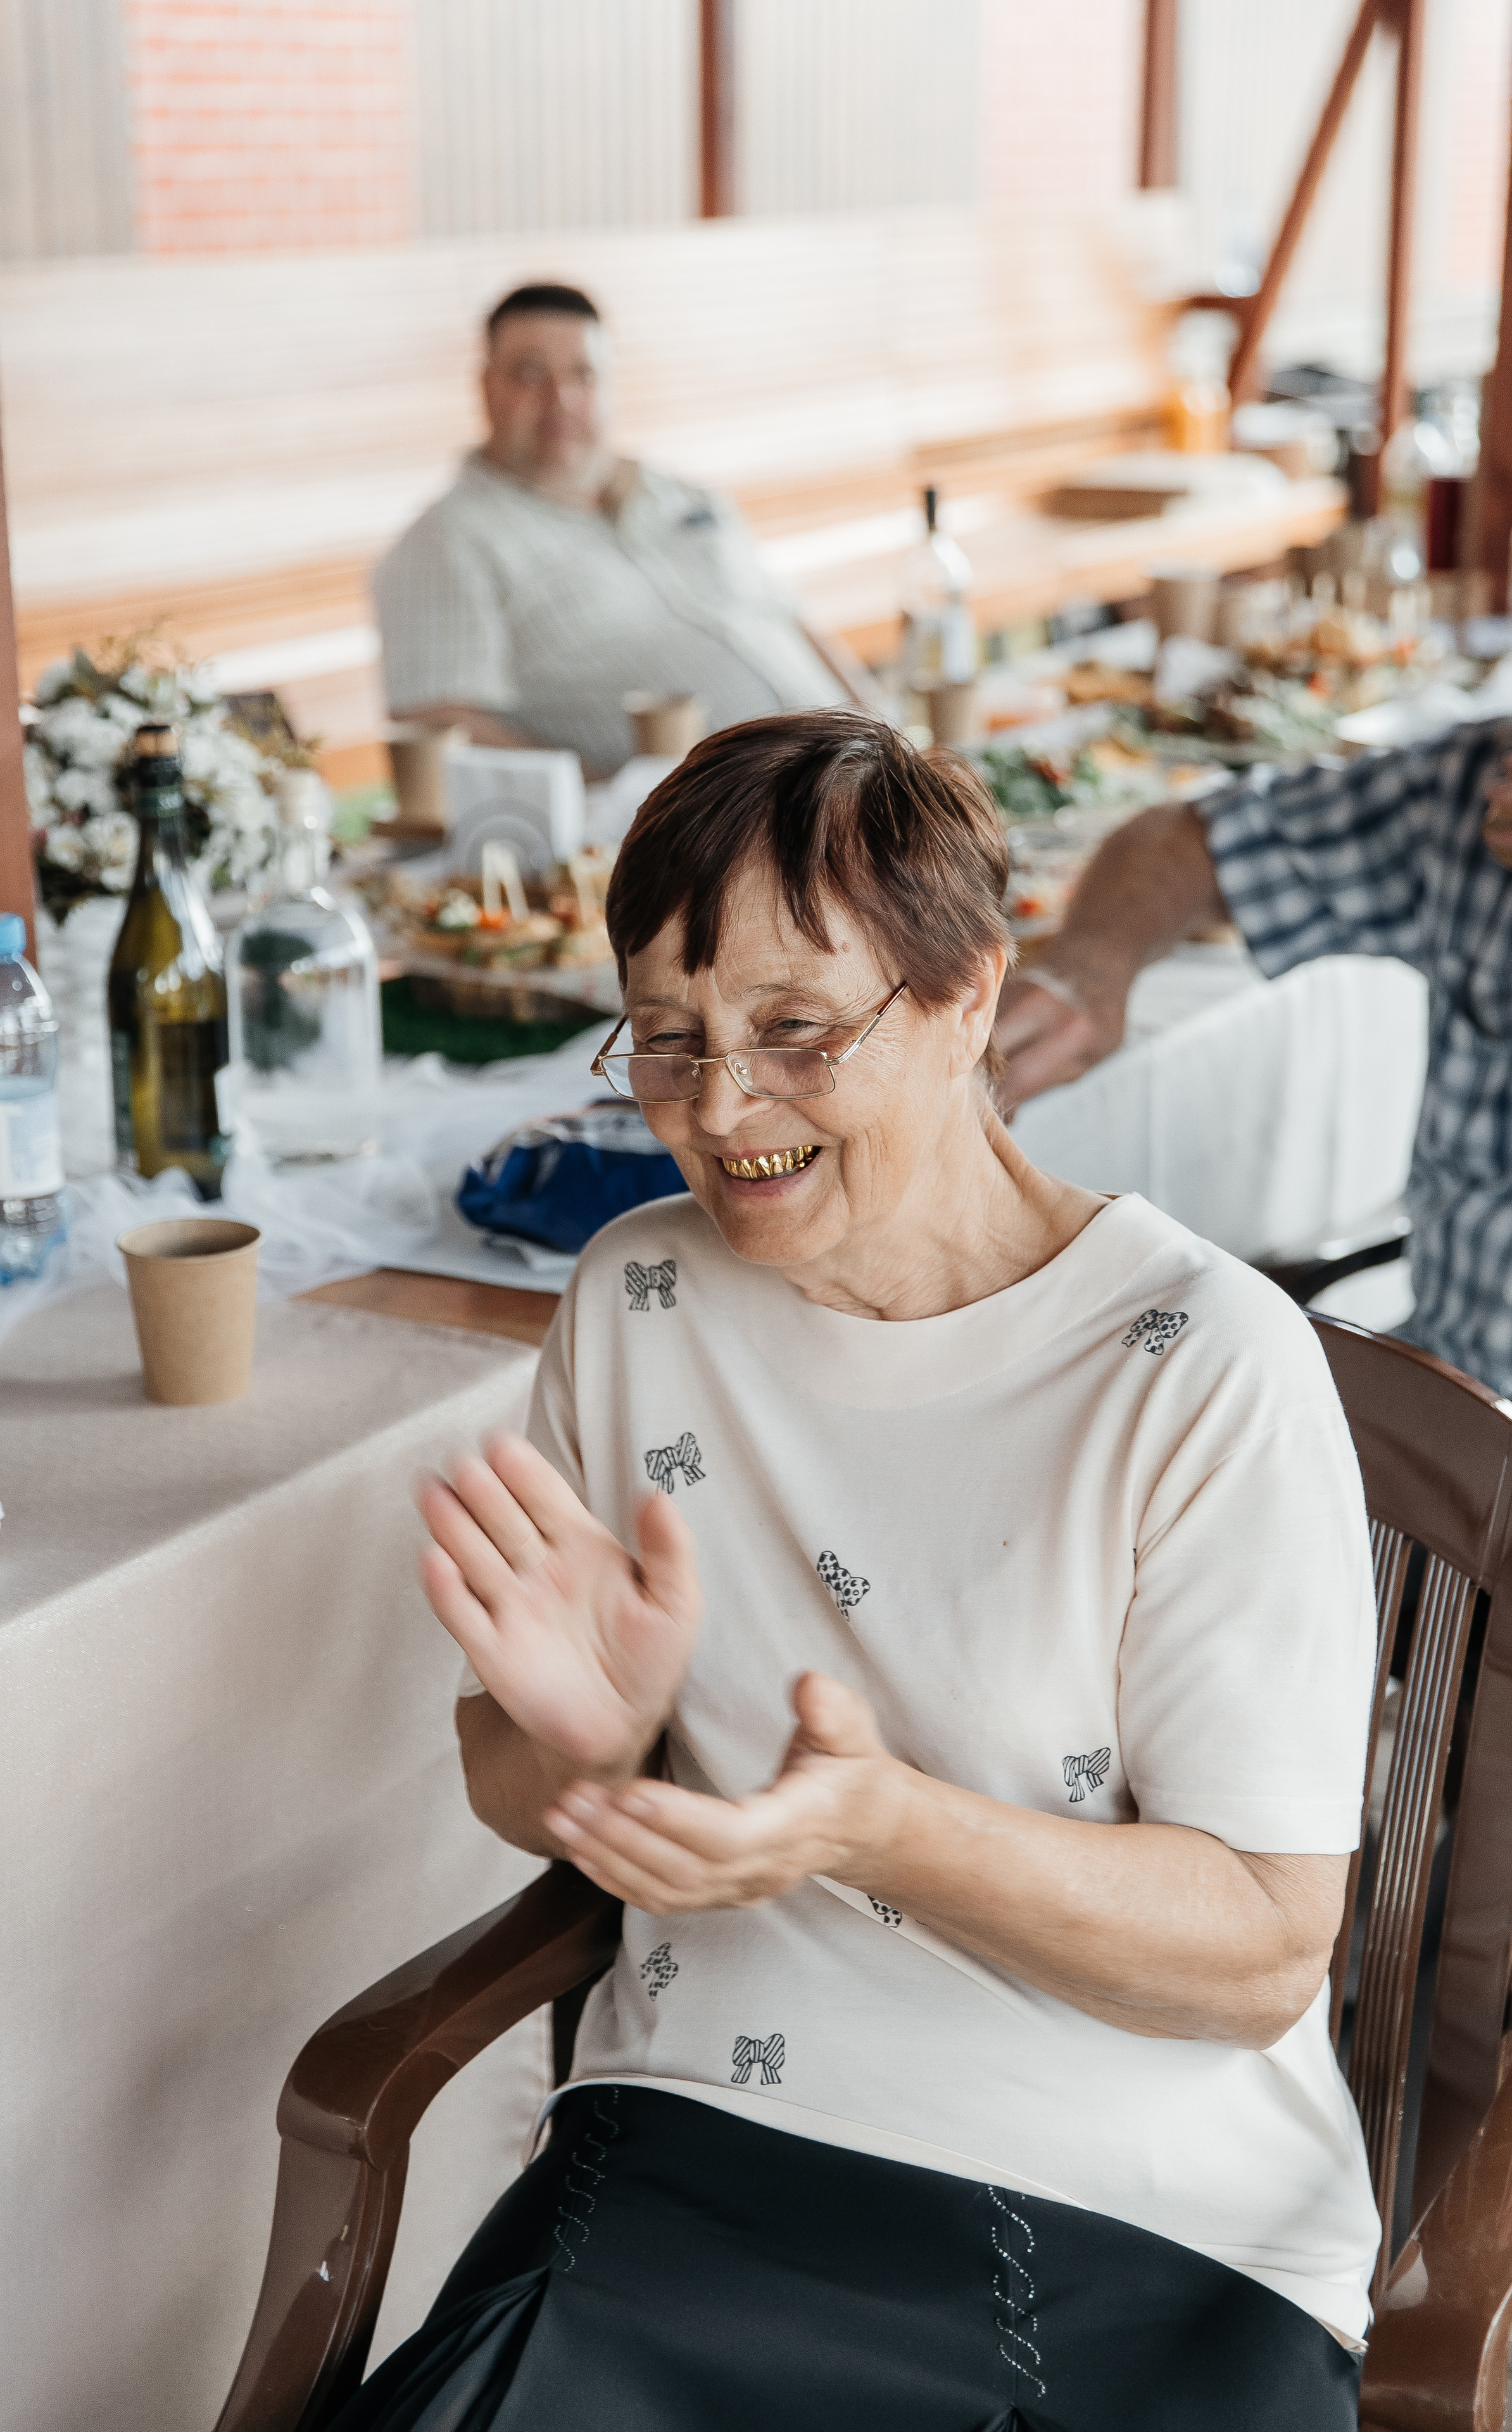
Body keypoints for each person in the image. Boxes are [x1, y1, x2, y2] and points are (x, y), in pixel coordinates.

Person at [338, 710, 1379, 2431]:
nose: (723, 1111)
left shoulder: (1200, 1365)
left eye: (795, 1033)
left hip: (1141, 2214)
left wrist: (882, 1824)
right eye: (668, 1044)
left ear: (970, 992)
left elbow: (1265, 1948)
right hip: (699, 2148)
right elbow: (523, 1784)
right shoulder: (634, 1298)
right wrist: (594, 1741)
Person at [996, 474, 1512, 1942]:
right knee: (1129, 1493)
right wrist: (1095, 961)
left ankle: (1493, 2030)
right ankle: (1200, 1942)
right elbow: (1187, 838)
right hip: (1463, 1405)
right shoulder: (1472, 795)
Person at [372, 282, 854, 777]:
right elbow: (437, 729)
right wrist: (628, 803)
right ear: (486, 386)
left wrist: (888, 733)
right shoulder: (446, 542)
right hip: (719, 833)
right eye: (530, 374)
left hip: (862, 779)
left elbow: (789, 619)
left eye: (582, 374)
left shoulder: (684, 496)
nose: (560, 398)